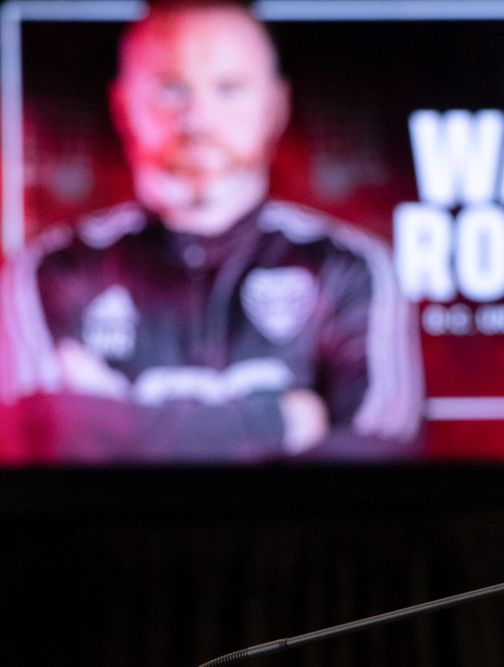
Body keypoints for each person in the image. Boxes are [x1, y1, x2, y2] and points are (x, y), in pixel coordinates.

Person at [0, 0, 423, 462]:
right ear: (122, 105)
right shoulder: (47, 273)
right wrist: (281, 423)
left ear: (276, 105)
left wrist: (117, 422)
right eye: (171, 89)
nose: (198, 119)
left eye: (229, 89)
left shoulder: (350, 268)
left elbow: (379, 448)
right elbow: (37, 433)